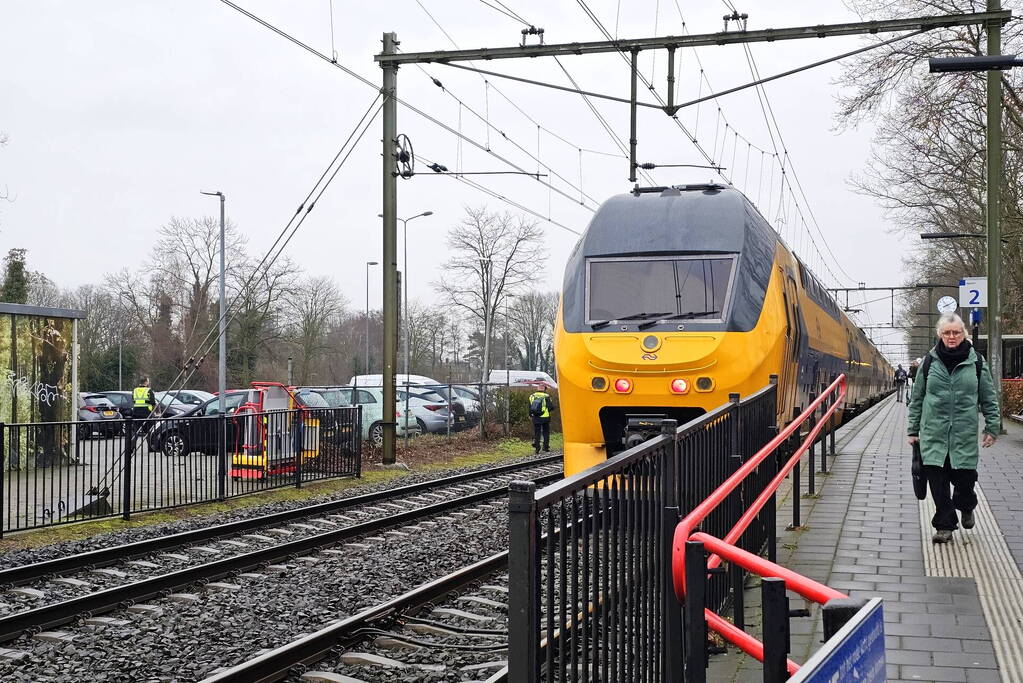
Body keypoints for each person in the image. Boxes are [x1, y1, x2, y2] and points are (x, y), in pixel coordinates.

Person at [908, 313, 999, 544]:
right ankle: (944, 525)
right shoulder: (929, 362)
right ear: (940, 334)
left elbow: (988, 397)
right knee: (938, 484)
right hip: (933, 434)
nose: (951, 336)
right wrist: (913, 430)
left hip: (964, 435)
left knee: (965, 481)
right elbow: (917, 397)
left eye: (956, 332)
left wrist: (992, 427)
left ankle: (966, 506)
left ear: (963, 334)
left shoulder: (976, 362)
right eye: (947, 332)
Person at [528, 387, 554, 454]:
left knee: (537, 432)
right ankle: (545, 447)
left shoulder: (532, 396)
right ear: (544, 389)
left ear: (537, 388)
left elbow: (530, 407)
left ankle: (537, 448)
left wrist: (530, 415)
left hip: (536, 417)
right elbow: (551, 407)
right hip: (545, 417)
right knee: (546, 432)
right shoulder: (547, 396)